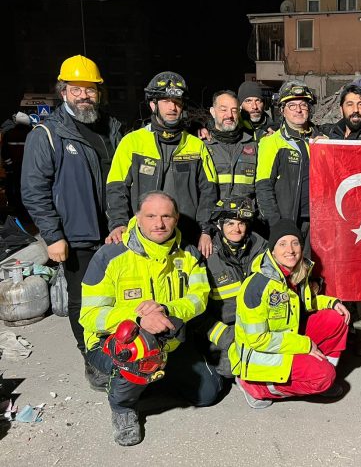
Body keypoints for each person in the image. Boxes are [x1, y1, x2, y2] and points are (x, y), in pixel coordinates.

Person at [80, 191, 222, 446]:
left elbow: (199, 297)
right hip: (114, 342)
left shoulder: (188, 254)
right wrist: (137, 319)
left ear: (176, 218)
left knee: (208, 393)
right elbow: (89, 315)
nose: (159, 223)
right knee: (141, 349)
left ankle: (145, 379)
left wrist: (164, 309)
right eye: (151, 216)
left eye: (166, 216)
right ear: (138, 218)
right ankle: (122, 406)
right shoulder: (109, 255)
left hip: (169, 341)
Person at [20, 54, 122, 390]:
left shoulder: (112, 129)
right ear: (63, 91)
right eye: (76, 89)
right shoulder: (47, 134)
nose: (84, 96)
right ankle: (92, 359)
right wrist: (53, 235)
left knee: (119, 297)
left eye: (90, 89)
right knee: (84, 302)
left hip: (116, 233)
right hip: (78, 236)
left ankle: (120, 353)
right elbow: (34, 191)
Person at [231, 219, 350, 408]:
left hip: (285, 340)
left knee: (337, 318)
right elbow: (257, 339)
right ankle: (255, 387)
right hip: (259, 354)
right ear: (272, 250)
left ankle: (321, 371)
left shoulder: (295, 273)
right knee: (323, 378)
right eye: (282, 244)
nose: (290, 249)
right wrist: (305, 344)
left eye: (295, 243)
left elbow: (307, 302)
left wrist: (332, 302)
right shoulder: (258, 286)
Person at [105, 71, 218, 258]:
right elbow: (116, 188)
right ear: (153, 105)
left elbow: (209, 193)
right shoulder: (132, 142)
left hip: (187, 238)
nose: (172, 107)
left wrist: (206, 231)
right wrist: (118, 223)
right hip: (143, 238)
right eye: (166, 101)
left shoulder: (196, 145)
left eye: (177, 102)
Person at [318, 83, 361, 355]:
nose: (355, 110)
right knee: (337, 270)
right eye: (350, 104)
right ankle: (339, 326)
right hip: (336, 217)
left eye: (360, 104)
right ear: (341, 108)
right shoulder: (329, 133)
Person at [197, 196, 267, 377]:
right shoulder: (206, 255)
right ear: (219, 225)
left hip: (256, 326)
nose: (236, 229)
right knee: (229, 369)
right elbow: (198, 314)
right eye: (230, 223)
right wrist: (229, 337)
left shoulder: (262, 249)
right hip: (224, 329)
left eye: (241, 223)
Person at [255, 80, 324, 255]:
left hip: (319, 223)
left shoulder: (324, 141)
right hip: (288, 223)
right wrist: (277, 225)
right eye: (292, 105)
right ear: (282, 110)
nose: (299, 110)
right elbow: (264, 187)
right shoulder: (271, 142)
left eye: (303, 104)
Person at [204, 90, 257, 201]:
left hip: (246, 216)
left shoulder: (253, 145)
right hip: (212, 216)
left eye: (234, 110)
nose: (229, 115)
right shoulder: (203, 145)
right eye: (223, 110)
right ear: (213, 112)